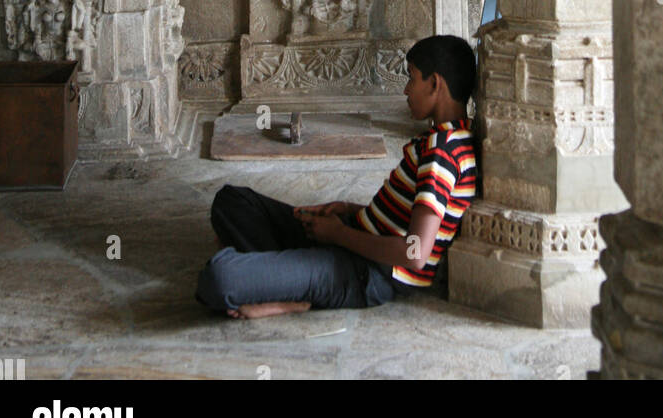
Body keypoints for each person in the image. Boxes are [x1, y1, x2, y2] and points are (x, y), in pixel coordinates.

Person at [195, 34, 477, 318]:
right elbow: (401, 217)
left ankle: (293, 293)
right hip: (356, 236)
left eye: (412, 78)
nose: (406, 90)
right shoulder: (450, 139)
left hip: (366, 272)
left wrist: (339, 235)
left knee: (219, 278)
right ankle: (283, 276)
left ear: (434, 84)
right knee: (231, 200)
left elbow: (415, 254)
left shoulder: (442, 152)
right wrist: (346, 210)